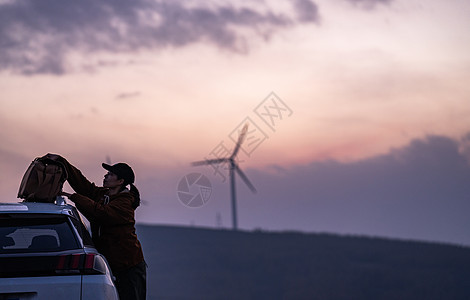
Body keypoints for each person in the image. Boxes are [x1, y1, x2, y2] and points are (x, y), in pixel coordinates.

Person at [45, 154, 146, 300]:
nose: (105, 176)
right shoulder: (104, 194)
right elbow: (83, 185)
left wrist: (73, 197)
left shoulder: (124, 204)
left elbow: (101, 213)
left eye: (111, 174)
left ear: (121, 181)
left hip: (128, 266)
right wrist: (62, 162)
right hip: (110, 263)